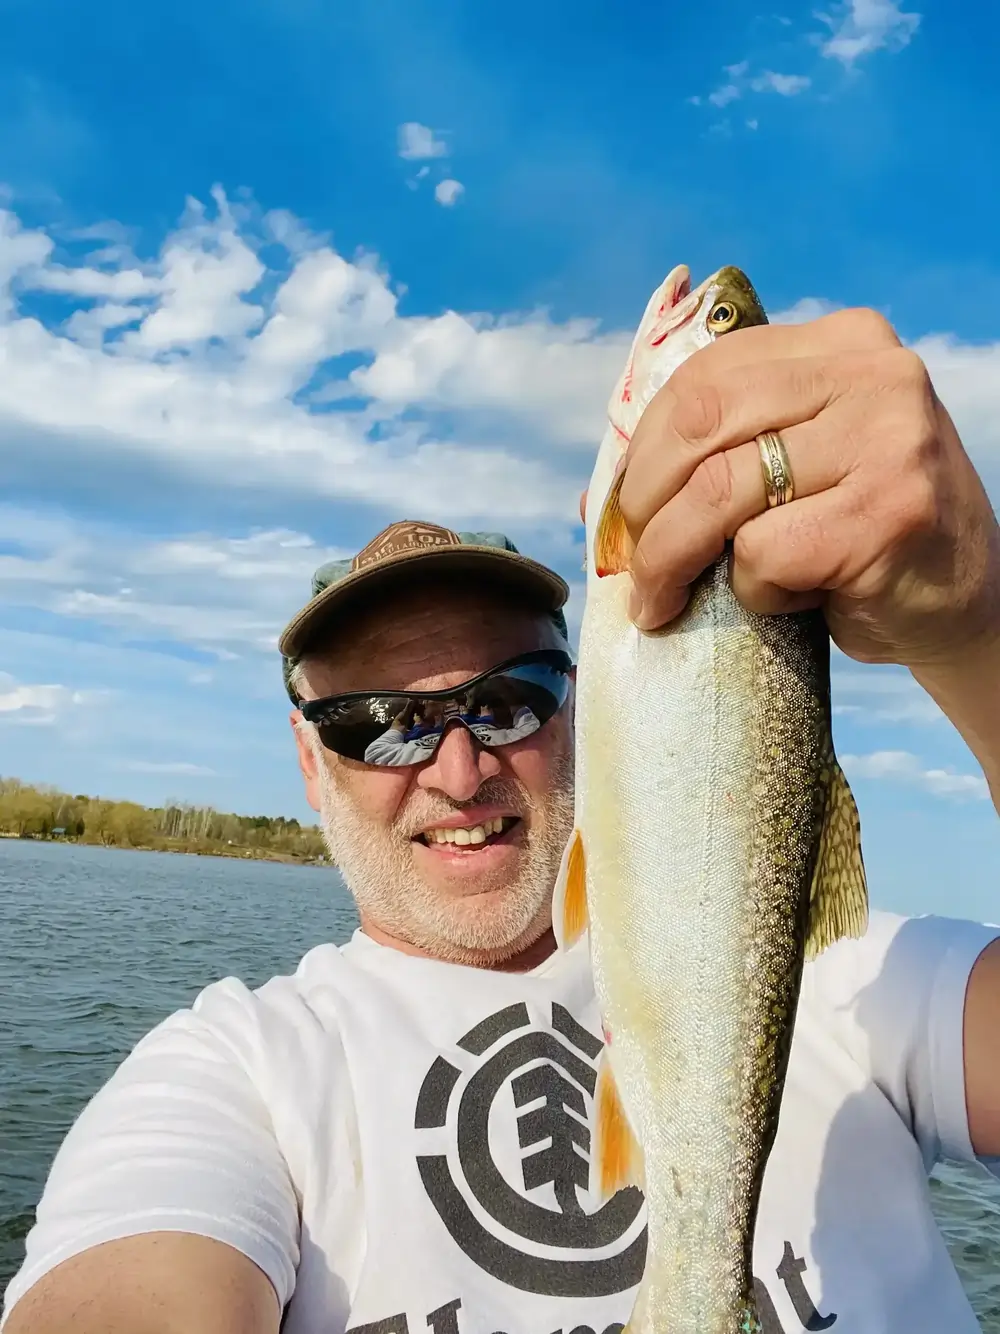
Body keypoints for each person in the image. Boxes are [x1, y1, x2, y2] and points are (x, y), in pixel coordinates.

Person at [3, 311, 999, 1334]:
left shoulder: (825, 972)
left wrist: (979, 635)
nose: (459, 766)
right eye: (380, 724)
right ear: (311, 761)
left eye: (512, 697)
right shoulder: (232, 1073)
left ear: (587, 705)